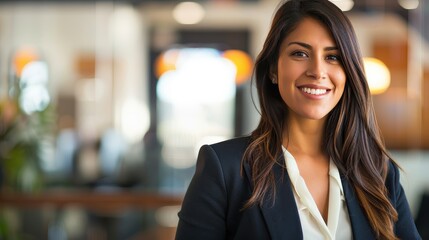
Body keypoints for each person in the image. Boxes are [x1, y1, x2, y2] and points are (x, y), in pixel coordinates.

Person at [175, 0, 421, 239]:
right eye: (300, 53)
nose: (317, 70)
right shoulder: (225, 169)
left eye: (333, 57)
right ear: (273, 69)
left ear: (348, 71)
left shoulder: (378, 171)